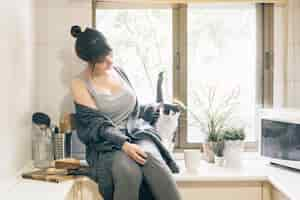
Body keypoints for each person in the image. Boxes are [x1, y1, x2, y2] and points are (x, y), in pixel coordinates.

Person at [70, 25, 182, 200]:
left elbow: (131, 108)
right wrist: (124, 144)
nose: (110, 61)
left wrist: (152, 107)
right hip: (107, 143)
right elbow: (95, 124)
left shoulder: (118, 71)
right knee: (128, 172)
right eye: (102, 59)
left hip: (136, 131)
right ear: (89, 61)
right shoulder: (80, 83)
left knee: (153, 162)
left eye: (110, 54)